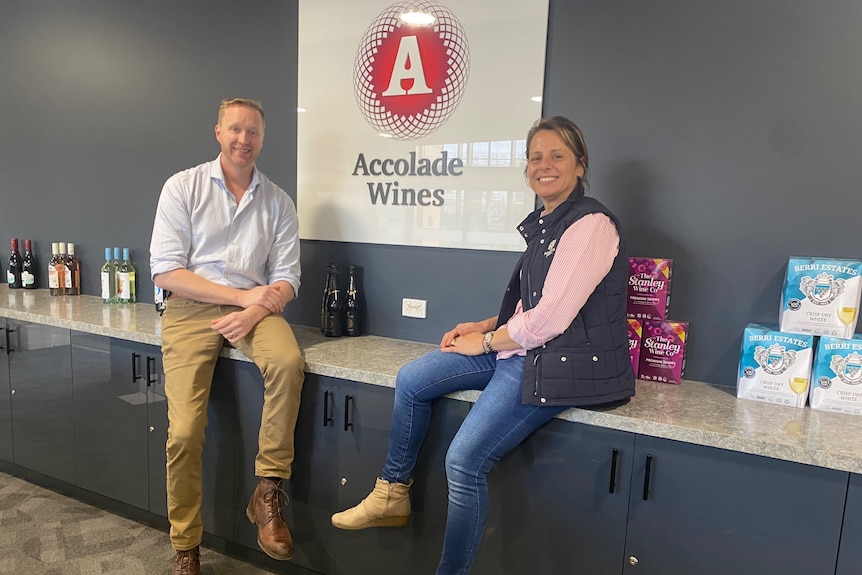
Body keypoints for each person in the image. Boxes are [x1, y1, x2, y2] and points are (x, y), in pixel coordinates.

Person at [331, 116, 635, 574]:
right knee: (412, 378)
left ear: (580, 164)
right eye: (535, 157)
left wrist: (487, 341)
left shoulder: (590, 225)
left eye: (557, 155)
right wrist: (484, 324)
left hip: (558, 363)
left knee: (464, 461)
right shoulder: (547, 223)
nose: (544, 165)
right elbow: (538, 305)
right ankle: (391, 492)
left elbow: (552, 319)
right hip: (526, 349)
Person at [150, 98, 305, 575]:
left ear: (263, 138)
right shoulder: (184, 187)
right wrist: (241, 300)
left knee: (287, 362)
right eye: (235, 129)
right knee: (184, 432)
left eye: (253, 132)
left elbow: (288, 279)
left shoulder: (278, 201)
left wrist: (256, 305)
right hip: (192, 309)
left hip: (256, 309)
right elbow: (166, 272)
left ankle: (266, 491)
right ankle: (186, 546)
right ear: (218, 132)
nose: (244, 139)